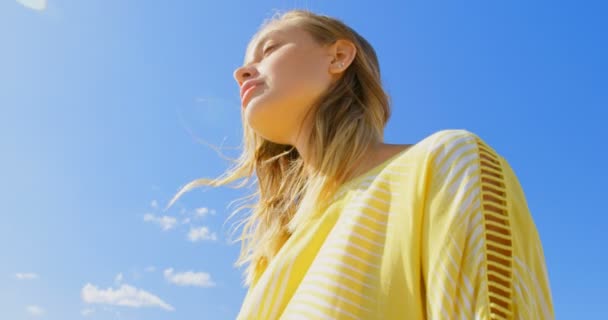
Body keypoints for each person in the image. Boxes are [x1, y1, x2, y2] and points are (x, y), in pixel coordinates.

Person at [167, 9, 554, 320]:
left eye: (268, 51)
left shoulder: (444, 163)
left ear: (338, 56)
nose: (242, 72)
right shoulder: (272, 254)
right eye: (245, 63)